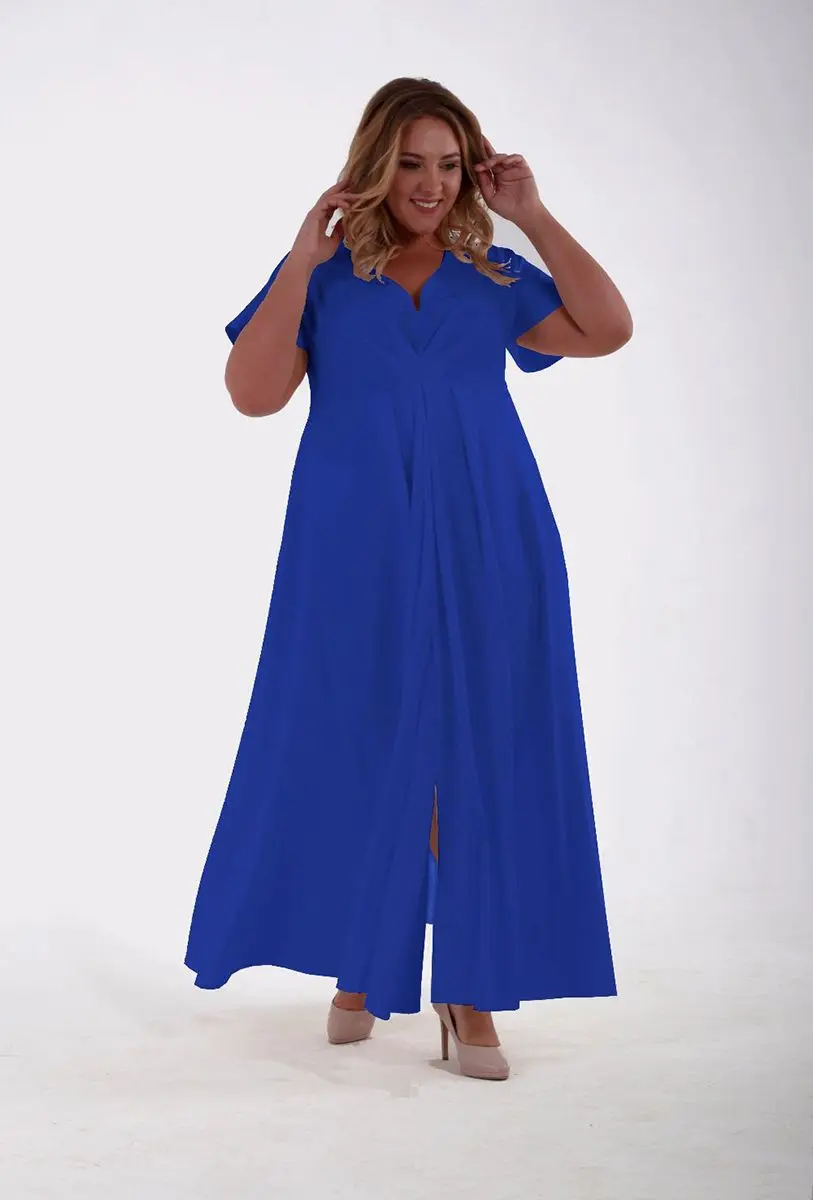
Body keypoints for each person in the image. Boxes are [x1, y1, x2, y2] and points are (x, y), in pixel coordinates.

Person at [185, 76, 632, 1081]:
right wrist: (299, 258)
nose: (430, 184)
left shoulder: (494, 273)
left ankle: (469, 987)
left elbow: (608, 329)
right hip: (352, 539)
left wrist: (533, 215)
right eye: (411, 163)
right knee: (358, 734)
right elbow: (252, 396)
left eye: (448, 164)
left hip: (488, 529)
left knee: (478, 745)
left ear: (470, 172)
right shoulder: (328, 276)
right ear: (375, 166)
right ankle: (363, 960)